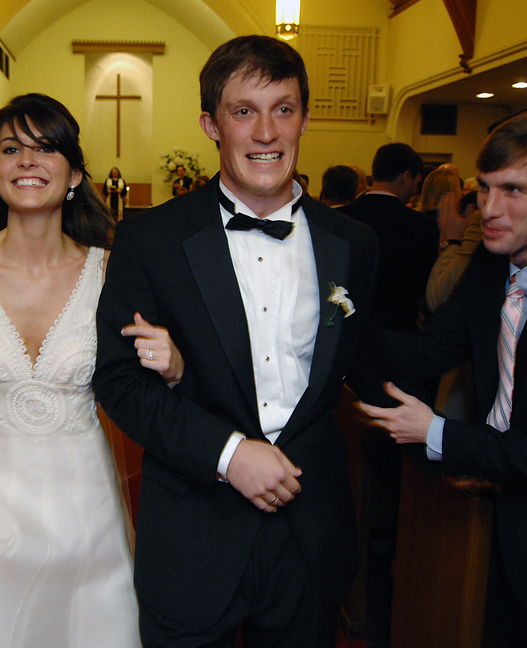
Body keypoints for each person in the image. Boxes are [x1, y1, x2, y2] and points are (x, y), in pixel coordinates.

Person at [95, 35, 390, 647]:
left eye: (283, 109)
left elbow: (365, 359)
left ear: (304, 119)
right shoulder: (151, 240)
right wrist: (229, 453)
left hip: (310, 531)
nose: (266, 132)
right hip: (194, 528)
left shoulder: (353, 243)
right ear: (211, 124)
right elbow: (120, 382)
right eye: (243, 111)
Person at [0, 93, 183, 648]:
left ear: (74, 174)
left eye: (45, 148)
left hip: (81, 500)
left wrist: (172, 366)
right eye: (11, 149)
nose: (26, 161)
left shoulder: (111, 273)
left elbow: (150, 383)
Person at [360, 111, 527, 647]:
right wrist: (328, 326)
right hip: (490, 508)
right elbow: (430, 348)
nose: (489, 210)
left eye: (513, 190)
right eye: (483, 188)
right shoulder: (492, 261)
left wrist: (437, 434)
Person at [339, 143, 439, 332]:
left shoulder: (342, 218)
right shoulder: (422, 225)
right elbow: (425, 287)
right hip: (398, 330)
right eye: (416, 183)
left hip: (347, 329)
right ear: (406, 177)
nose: (415, 191)